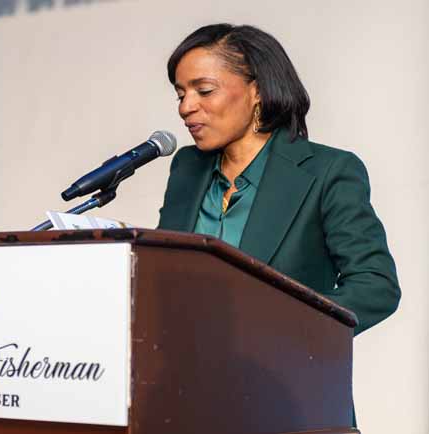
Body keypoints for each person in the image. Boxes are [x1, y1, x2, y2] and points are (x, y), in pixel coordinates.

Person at [158, 24, 400, 336]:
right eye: (181, 94)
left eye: (204, 90)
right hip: (182, 369)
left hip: (279, 373)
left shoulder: (329, 172)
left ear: (256, 90)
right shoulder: (186, 167)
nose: (185, 107)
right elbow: (163, 274)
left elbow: (375, 285)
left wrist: (283, 327)